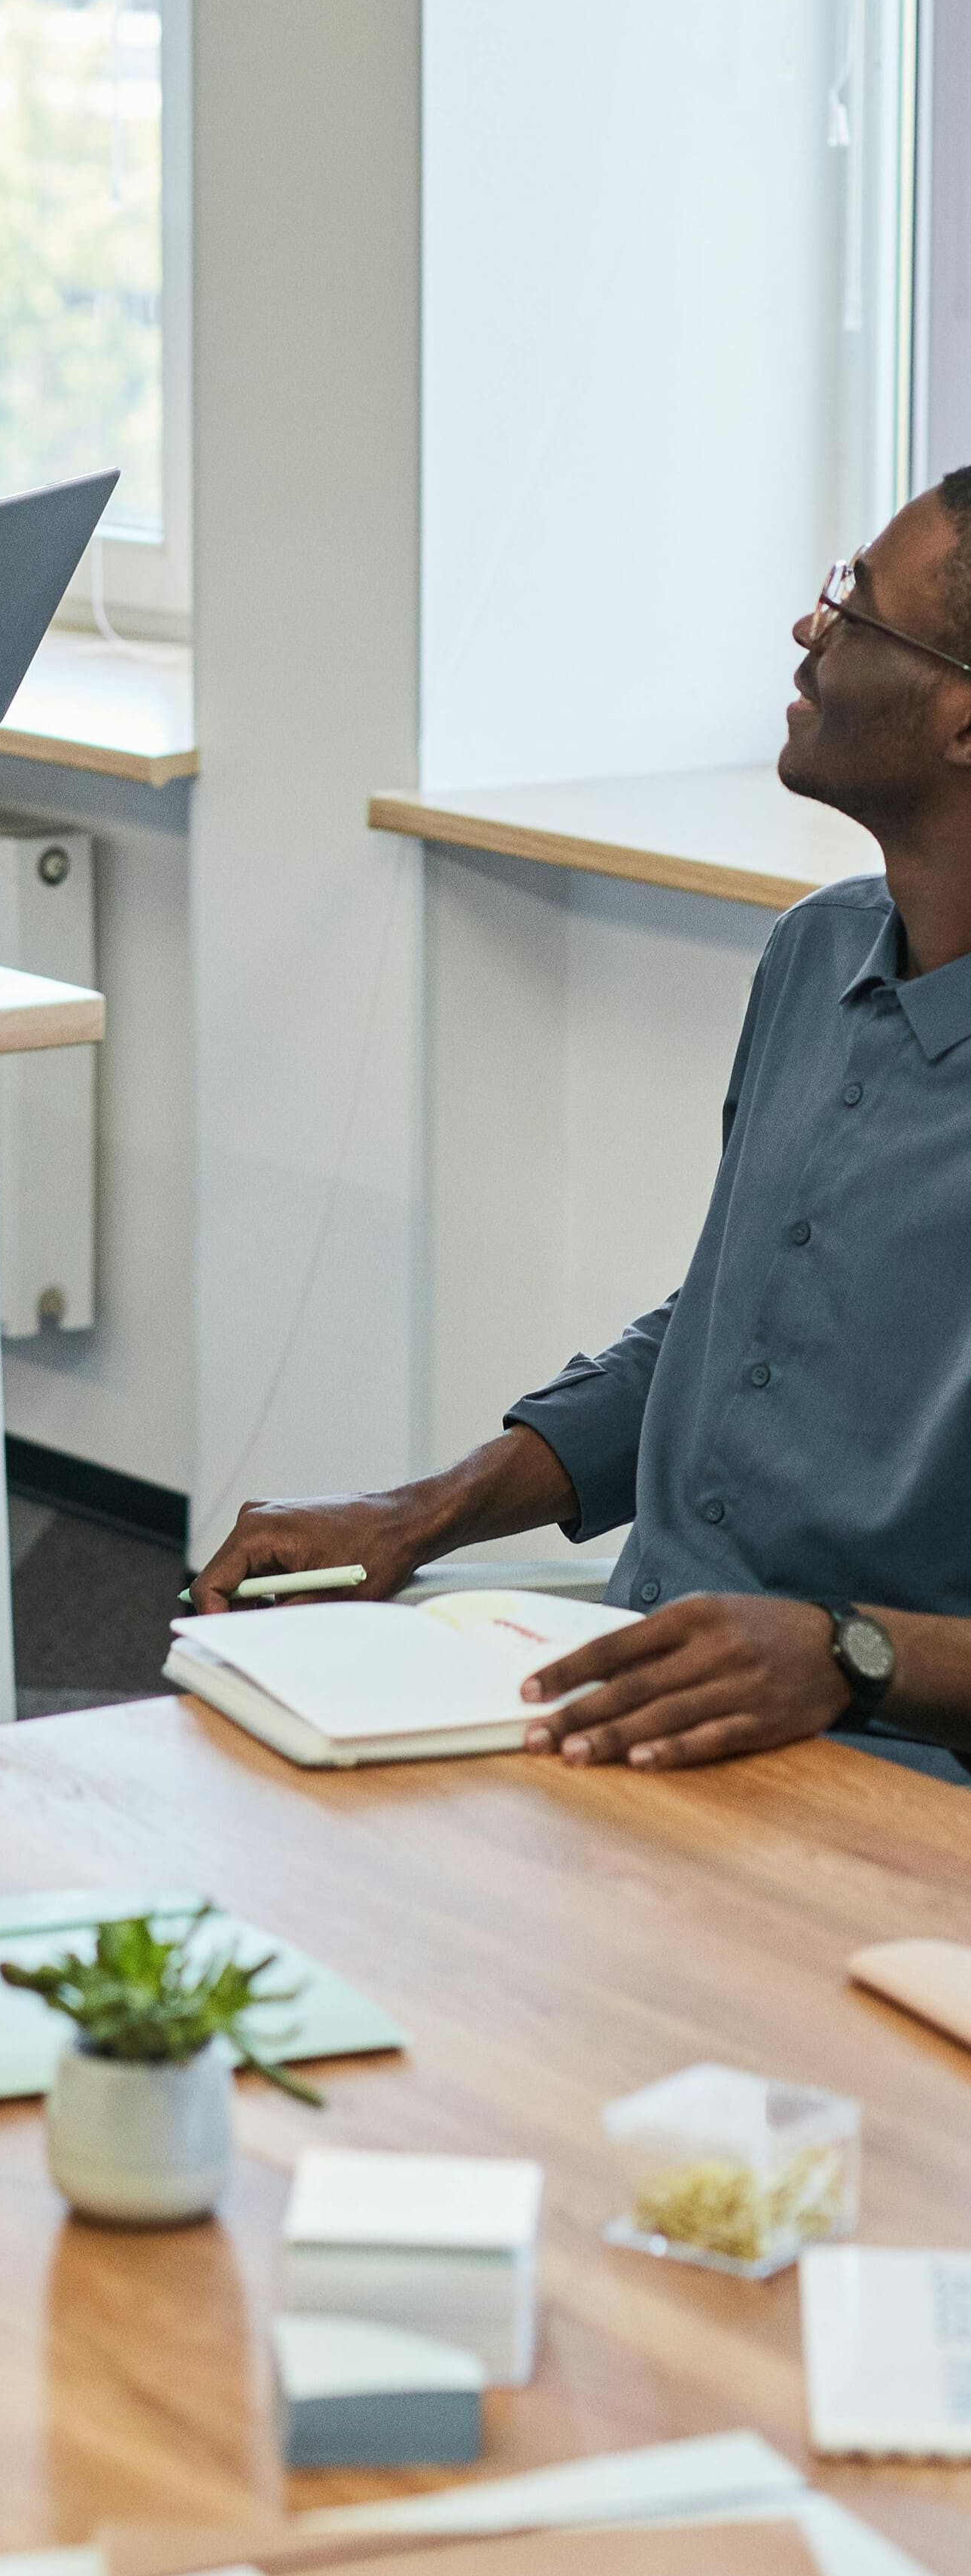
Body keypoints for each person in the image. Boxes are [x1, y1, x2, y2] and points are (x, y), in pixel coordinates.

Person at [192, 474, 971, 1773]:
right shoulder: (814, 955)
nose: (808, 629)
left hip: (886, 1764)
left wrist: (845, 1655)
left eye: (855, 605)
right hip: (638, 1689)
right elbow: (718, 1333)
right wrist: (415, 1513)